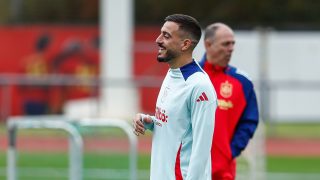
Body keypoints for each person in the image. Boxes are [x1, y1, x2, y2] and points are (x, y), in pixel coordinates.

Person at [133, 14, 217, 180]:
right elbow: (179, 128)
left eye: (166, 35)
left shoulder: (200, 87)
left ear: (185, 44)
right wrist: (150, 121)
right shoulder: (173, 73)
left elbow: (201, 151)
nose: (158, 40)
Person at [199, 23, 259, 180]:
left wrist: (230, 151)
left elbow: (249, 122)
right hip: (186, 170)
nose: (231, 48)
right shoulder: (190, 77)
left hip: (222, 172)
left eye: (233, 43)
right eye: (226, 44)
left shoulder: (243, 82)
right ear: (208, 44)